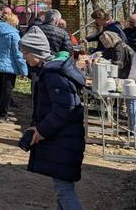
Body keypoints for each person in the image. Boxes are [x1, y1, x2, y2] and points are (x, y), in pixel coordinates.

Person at [20, 26, 86, 210]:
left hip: (63, 140)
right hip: (64, 138)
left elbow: (64, 108)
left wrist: (42, 130)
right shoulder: (52, 71)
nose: (24, 57)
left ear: (37, 52)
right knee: (62, 189)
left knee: (64, 191)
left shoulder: (52, 75)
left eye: (26, 53)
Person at [0, 13, 27, 122]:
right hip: (10, 68)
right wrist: (24, 71)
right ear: (14, 23)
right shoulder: (14, 34)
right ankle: (3, 115)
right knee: (6, 92)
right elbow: (18, 54)